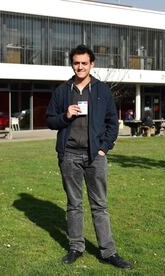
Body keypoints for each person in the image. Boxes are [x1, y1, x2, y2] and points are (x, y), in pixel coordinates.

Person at [46, 44, 133, 269]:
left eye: (84, 63)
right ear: (72, 64)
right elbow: (50, 121)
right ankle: (76, 247)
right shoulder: (62, 91)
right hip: (69, 156)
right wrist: (65, 115)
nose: (80, 67)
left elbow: (112, 124)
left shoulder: (102, 90)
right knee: (74, 204)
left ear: (91, 64)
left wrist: (104, 148)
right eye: (76, 63)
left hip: (96, 157)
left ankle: (108, 251)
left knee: (99, 205)